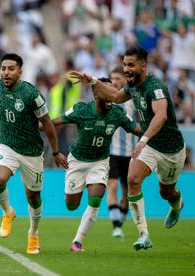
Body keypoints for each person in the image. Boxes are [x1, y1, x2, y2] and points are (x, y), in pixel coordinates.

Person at [68, 45, 186, 251]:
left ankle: (176, 204)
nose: (126, 69)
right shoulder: (132, 88)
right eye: (124, 65)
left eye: (131, 65)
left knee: (166, 192)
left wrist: (143, 139)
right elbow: (115, 96)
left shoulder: (155, 86)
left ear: (143, 66)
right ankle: (143, 234)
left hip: (171, 149)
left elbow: (161, 116)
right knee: (132, 180)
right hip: (150, 146)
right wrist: (93, 81)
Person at [0, 53, 68, 255]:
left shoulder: (30, 94)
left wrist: (55, 152)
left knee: (33, 197)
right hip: (7, 145)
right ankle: (8, 212)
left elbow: (47, 124)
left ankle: (33, 234)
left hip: (32, 151)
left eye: (11, 69)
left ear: (20, 71)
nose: (6, 73)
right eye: (3, 68)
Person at [50, 77, 140, 252]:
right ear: (95, 93)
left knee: (95, 199)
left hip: (99, 162)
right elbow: (53, 122)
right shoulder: (82, 109)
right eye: (105, 91)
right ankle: (77, 188)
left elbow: (135, 128)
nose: (110, 96)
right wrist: (35, 125)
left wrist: (156, 131)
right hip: (77, 162)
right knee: (71, 205)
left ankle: (77, 241)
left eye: (112, 92)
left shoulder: (117, 113)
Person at [107, 66, 137, 238]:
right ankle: (116, 225)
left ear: (125, 80)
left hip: (130, 153)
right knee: (112, 186)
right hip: (112, 152)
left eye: (118, 78)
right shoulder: (107, 98)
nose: (115, 82)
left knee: (127, 191)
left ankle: (119, 224)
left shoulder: (132, 99)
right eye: (113, 78)